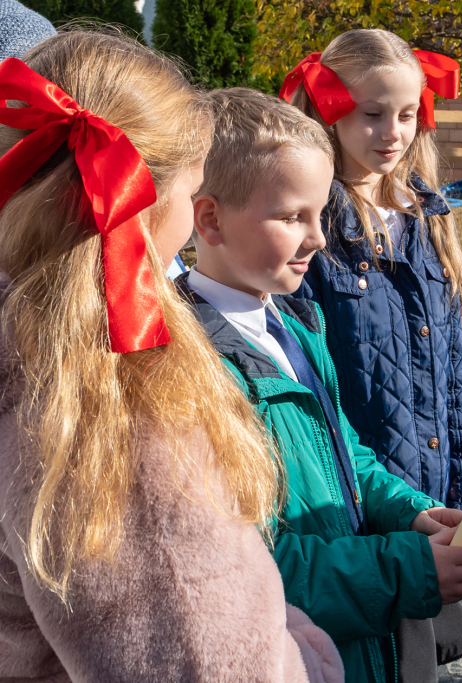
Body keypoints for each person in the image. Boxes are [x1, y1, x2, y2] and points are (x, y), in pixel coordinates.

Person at [0, 33, 343, 682]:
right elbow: (199, 657)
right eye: (189, 193)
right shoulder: (110, 414)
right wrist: (307, 651)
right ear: (140, 201)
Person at [180, 87, 462, 683]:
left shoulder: (297, 322)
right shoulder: (192, 369)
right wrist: (405, 569)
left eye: (320, 213)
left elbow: (346, 454)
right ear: (210, 219)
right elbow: (249, 565)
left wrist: (412, 513)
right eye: (291, 217)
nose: (319, 238)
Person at [285, 30, 462, 515]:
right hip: (359, 506)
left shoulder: (428, 216)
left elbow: (453, 374)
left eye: (407, 115)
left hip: (437, 500)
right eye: (373, 114)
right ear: (329, 109)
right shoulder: (314, 231)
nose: (393, 132)